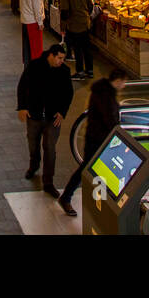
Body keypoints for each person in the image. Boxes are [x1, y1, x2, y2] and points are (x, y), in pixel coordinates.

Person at [57, 69, 127, 216]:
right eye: (124, 82)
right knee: (88, 168)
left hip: (97, 137)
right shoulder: (105, 94)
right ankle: (67, 197)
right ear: (118, 80)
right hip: (98, 139)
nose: (125, 85)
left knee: (94, 169)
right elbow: (109, 119)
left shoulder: (103, 90)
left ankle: (101, 200)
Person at [16, 45, 74, 198]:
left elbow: (69, 93)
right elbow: (22, 86)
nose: (61, 61)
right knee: (33, 144)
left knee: (50, 148)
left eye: (63, 58)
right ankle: (34, 165)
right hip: (34, 115)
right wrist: (22, 107)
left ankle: (48, 181)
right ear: (51, 55)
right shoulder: (35, 66)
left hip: (52, 118)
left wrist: (62, 112)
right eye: (59, 58)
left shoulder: (64, 71)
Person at [60, 0, 94, 80]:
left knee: (78, 48)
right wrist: (86, 15)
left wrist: (63, 26)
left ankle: (80, 71)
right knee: (87, 47)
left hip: (74, 24)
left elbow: (64, 11)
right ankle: (90, 70)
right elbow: (90, 5)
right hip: (85, 22)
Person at [18, 0, 46, 66]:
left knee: (27, 47)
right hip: (33, 22)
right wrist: (40, 22)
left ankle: (27, 66)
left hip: (25, 20)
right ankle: (36, 67)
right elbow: (37, 7)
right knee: (36, 48)